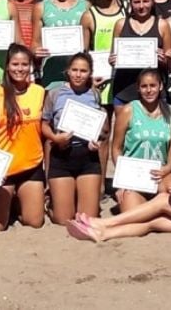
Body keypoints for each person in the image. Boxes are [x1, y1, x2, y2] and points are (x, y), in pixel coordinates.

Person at [41, 53, 103, 225]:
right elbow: (44, 124)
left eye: (83, 71)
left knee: (86, 219)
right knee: (63, 220)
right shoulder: (55, 93)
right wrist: (55, 137)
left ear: (90, 73)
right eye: (74, 70)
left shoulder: (94, 94)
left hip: (87, 157)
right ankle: (51, 203)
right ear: (67, 71)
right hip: (61, 155)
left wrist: (97, 141)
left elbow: (101, 129)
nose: (78, 74)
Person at [0, 44, 45, 229]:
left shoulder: (39, 91)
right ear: (6, 66)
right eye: (15, 64)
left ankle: (20, 202)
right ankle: (9, 201)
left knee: (35, 222)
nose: (20, 69)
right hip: (4, 168)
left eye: (24, 64)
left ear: (31, 66)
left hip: (31, 164)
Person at [79, 0, 127, 187]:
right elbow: (83, 53)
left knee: (128, 132)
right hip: (101, 82)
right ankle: (98, 186)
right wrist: (89, 79)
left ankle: (128, 181)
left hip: (127, 80)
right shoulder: (89, 16)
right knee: (102, 133)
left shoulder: (129, 9)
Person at [111, 69, 171, 212]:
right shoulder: (128, 110)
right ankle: (155, 212)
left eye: (153, 85)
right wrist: (123, 177)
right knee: (132, 214)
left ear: (160, 86)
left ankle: (153, 210)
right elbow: (116, 148)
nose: (149, 90)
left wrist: (167, 168)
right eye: (144, 86)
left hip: (160, 173)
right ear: (138, 88)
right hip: (134, 174)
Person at [109, 0, 171, 111]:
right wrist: (112, 60)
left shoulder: (162, 25)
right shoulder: (120, 24)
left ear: (152, 1)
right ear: (131, 3)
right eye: (136, 2)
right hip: (125, 89)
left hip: (153, 92)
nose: (141, 6)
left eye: (145, 1)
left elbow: (170, 64)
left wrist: (164, 59)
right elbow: (113, 56)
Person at [35, 0, 89, 90]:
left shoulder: (86, 6)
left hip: (79, 78)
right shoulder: (41, 7)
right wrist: (37, 51)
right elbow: (34, 43)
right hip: (51, 78)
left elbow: (88, 47)